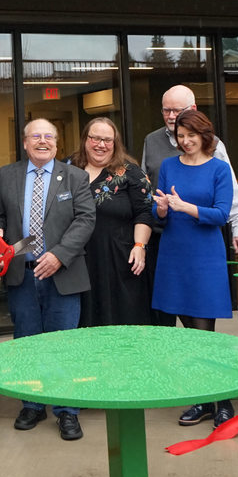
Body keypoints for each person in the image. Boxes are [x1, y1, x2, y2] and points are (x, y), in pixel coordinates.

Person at [0, 119, 95, 442]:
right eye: (36, 136)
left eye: (49, 136)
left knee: (63, 346)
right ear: (25, 142)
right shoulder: (7, 175)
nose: (43, 141)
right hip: (22, 272)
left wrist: (59, 254)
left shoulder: (75, 176)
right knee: (27, 343)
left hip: (62, 273)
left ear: (57, 144)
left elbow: (86, 219)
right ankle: (32, 405)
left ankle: (66, 412)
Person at [151, 108, 236, 429]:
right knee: (189, 334)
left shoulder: (218, 169)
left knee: (204, 335)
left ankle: (220, 400)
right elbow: (160, 212)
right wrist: (159, 208)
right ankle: (206, 399)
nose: (185, 142)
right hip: (174, 253)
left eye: (191, 136)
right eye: (180, 136)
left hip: (205, 257)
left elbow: (221, 215)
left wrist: (185, 207)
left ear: (205, 136)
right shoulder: (168, 166)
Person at [141, 85, 238, 253]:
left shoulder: (214, 146)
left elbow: (232, 197)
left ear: (193, 109)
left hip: (203, 235)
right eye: (166, 110)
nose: (171, 116)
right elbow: (146, 189)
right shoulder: (151, 141)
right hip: (162, 236)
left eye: (177, 110)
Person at [67, 117, 153, 326]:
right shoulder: (68, 168)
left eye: (107, 140)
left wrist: (140, 246)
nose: (101, 145)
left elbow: (144, 212)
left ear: (115, 143)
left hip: (120, 259)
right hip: (78, 259)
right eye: (95, 138)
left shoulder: (131, 171)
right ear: (85, 139)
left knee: (123, 322)